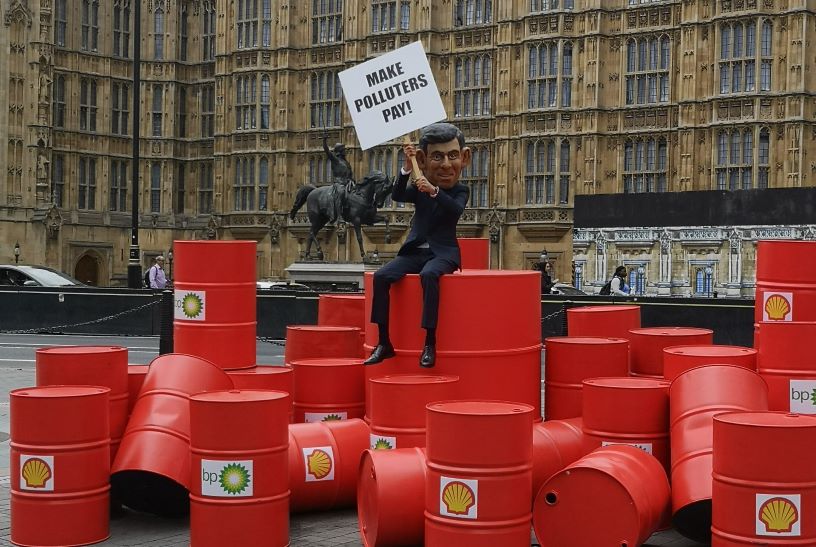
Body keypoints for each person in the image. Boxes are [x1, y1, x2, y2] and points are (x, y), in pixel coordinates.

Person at [364, 122, 471, 368]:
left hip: (442, 254)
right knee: (381, 277)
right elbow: (398, 195)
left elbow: (455, 210)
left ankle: (430, 343)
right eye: (437, 156)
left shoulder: (459, 190)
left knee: (429, 275)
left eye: (452, 156)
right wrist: (405, 167)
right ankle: (384, 343)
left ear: (464, 157)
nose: (445, 164)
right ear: (423, 160)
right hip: (415, 251)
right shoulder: (420, 187)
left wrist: (433, 191)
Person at [323, 133, 354, 224]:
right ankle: (339, 216)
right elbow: (327, 151)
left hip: (348, 183)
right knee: (341, 193)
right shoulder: (335, 160)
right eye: (343, 150)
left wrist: (351, 180)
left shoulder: (346, 162)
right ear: (340, 151)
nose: (345, 151)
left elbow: (350, 174)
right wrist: (324, 140)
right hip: (339, 183)